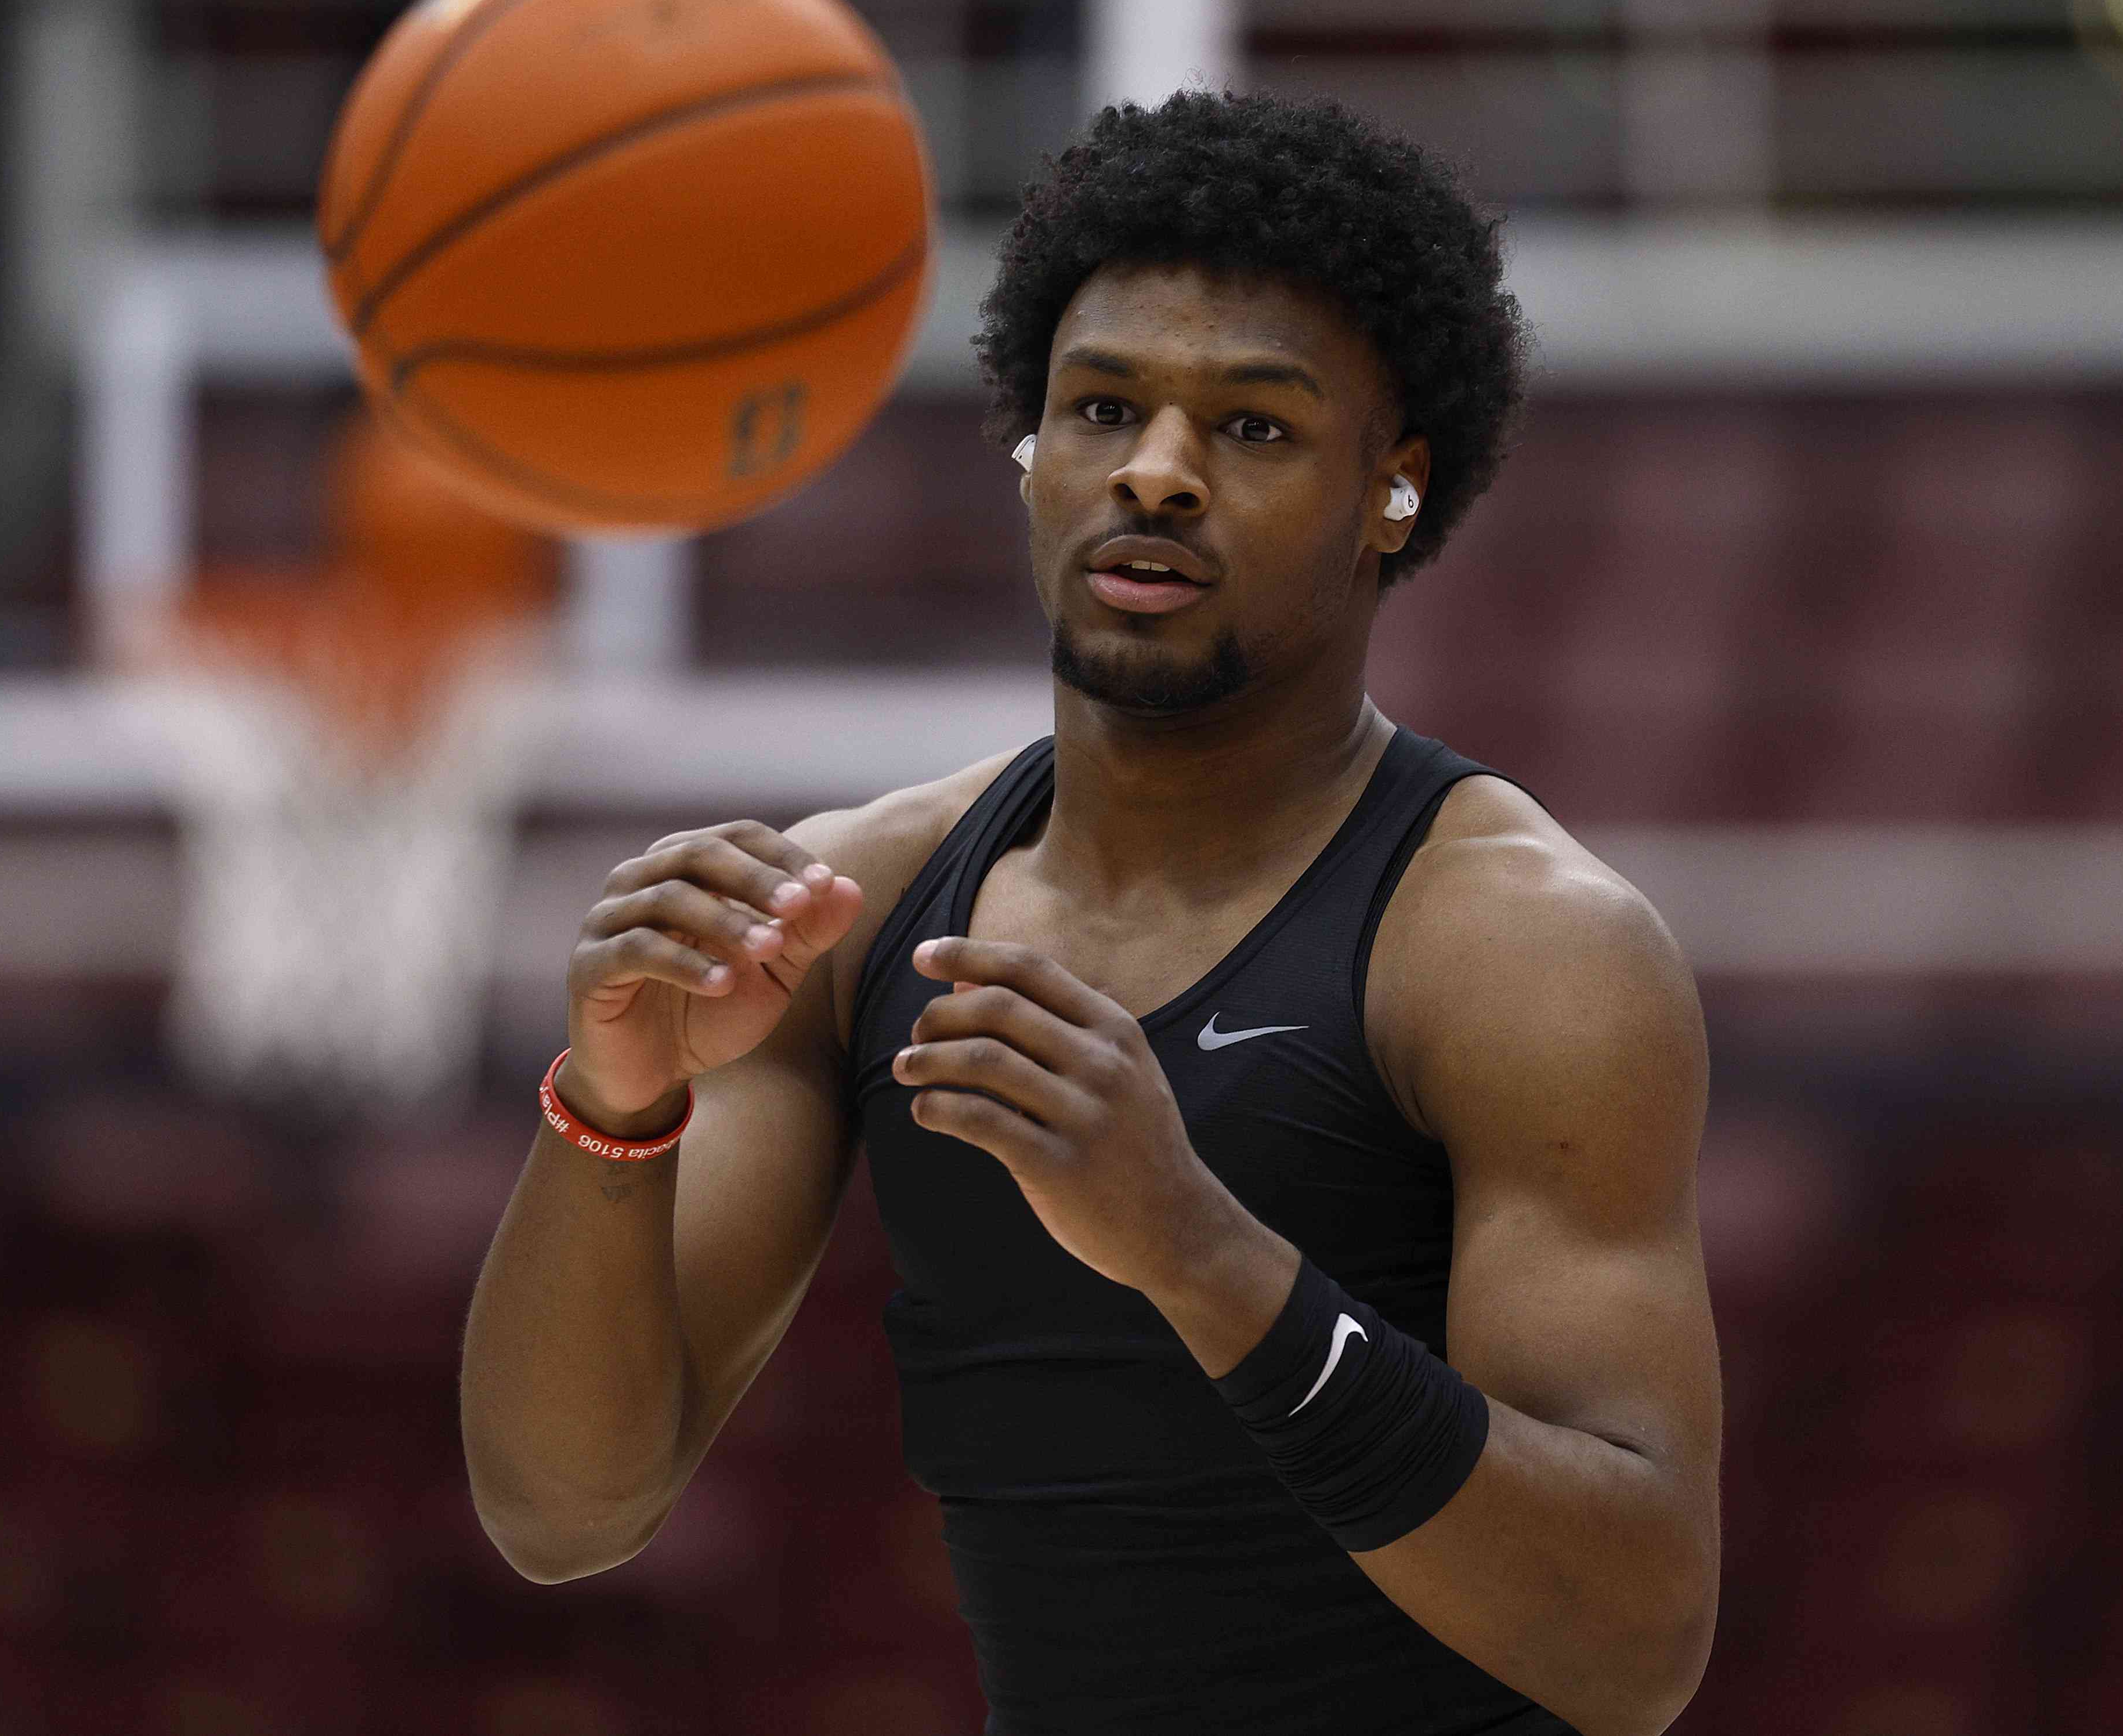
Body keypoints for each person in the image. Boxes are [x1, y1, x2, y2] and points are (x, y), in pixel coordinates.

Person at [461, 92, 1721, 1736]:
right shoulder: (861, 905)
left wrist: (1197, 1251)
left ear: (1389, 493)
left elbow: (1634, 1641)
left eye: (1254, 428)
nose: (1158, 473)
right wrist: (614, 1106)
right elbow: (564, 1511)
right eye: (1102, 407)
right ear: (1031, 455)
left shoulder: (1521, 946)